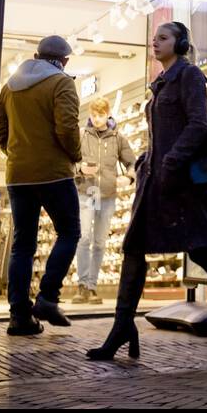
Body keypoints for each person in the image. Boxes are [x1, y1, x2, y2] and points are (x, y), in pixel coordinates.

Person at [88, 21, 207, 360]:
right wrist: (147, 158)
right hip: (157, 179)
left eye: (163, 37)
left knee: (200, 250)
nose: (155, 42)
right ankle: (122, 327)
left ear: (181, 42)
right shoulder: (161, 83)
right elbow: (164, 131)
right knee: (135, 247)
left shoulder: (188, 76)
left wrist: (171, 161)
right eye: (154, 37)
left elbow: (198, 125)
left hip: (178, 181)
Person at [0, 34, 83, 336]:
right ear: (64, 60)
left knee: (22, 245)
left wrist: (17, 153)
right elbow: (67, 128)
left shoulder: (10, 87)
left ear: (36, 55)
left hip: (18, 176)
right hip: (55, 173)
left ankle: (19, 316)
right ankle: (47, 297)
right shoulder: (61, 83)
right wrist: (76, 157)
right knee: (69, 232)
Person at [74, 96, 136, 304]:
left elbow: (132, 162)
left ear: (108, 114)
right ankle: (82, 285)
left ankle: (92, 286)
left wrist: (128, 177)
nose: (97, 119)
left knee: (100, 242)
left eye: (101, 115)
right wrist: (79, 169)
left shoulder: (117, 137)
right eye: (94, 115)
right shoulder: (82, 136)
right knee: (83, 238)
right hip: (87, 191)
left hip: (108, 194)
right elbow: (68, 161)